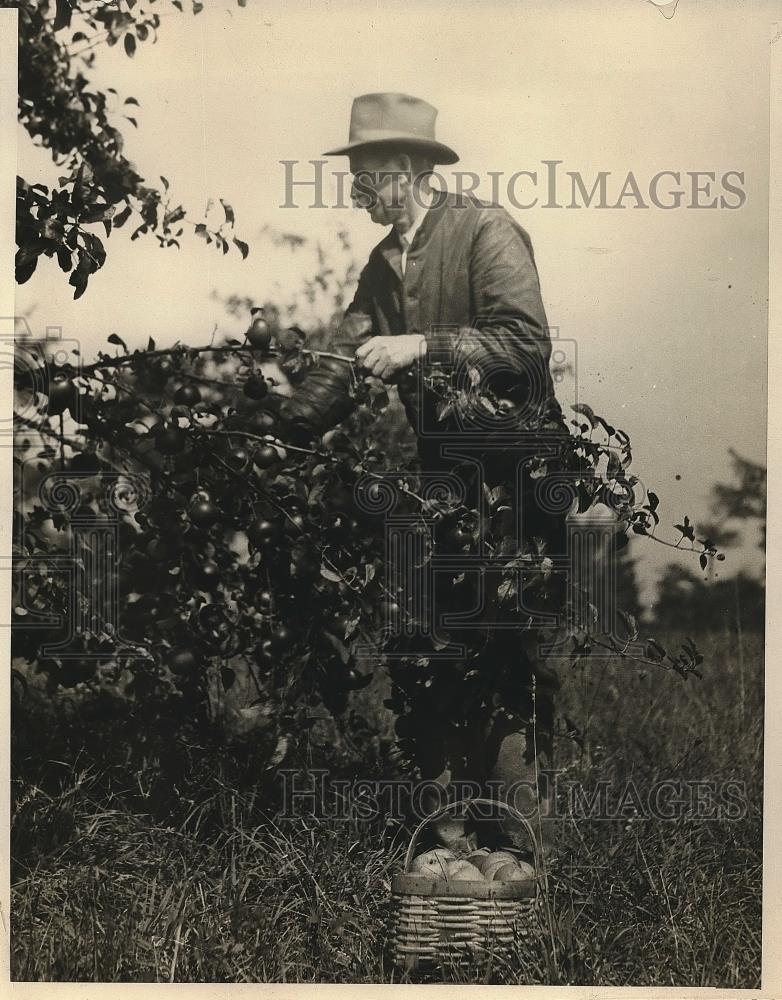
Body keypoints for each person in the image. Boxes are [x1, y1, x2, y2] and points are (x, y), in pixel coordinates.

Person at [278, 93, 570, 859]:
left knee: (510, 653)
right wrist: (285, 417)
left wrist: (419, 348)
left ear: (406, 170)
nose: (354, 190)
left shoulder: (484, 230)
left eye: (365, 174)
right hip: (447, 488)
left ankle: (522, 851)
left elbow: (525, 343)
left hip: (516, 482)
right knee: (434, 651)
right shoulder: (383, 265)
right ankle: (452, 840)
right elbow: (343, 364)